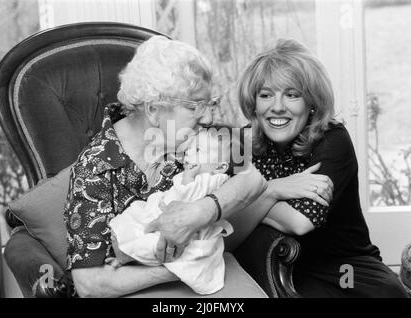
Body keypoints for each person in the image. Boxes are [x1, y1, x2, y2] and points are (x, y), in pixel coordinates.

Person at [63, 35, 267, 298]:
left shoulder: (194, 136)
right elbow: (90, 285)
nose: (209, 116)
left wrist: (200, 212)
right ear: (153, 110)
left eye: (210, 104)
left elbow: (253, 179)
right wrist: (186, 265)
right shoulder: (94, 169)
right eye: (195, 106)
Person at [237, 38, 408, 297]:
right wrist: (273, 189)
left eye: (292, 95)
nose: (277, 106)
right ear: (254, 103)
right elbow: (230, 222)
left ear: (311, 102)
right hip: (276, 263)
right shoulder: (243, 142)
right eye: (266, 95)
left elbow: (300, 222)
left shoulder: (332, 139)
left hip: (344, 267)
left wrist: (249, 198)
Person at [109, 127, 242, 295]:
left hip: (187, 234)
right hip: (170, 218)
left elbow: (186, 199)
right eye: (189, 148)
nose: (188, 153)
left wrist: (187, 178)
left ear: (221, 166)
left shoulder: (212, 180)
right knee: (136, 214)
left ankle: (126, 256)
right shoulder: (202, 175)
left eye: (198, 150)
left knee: (151, 242)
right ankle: (126, 253)